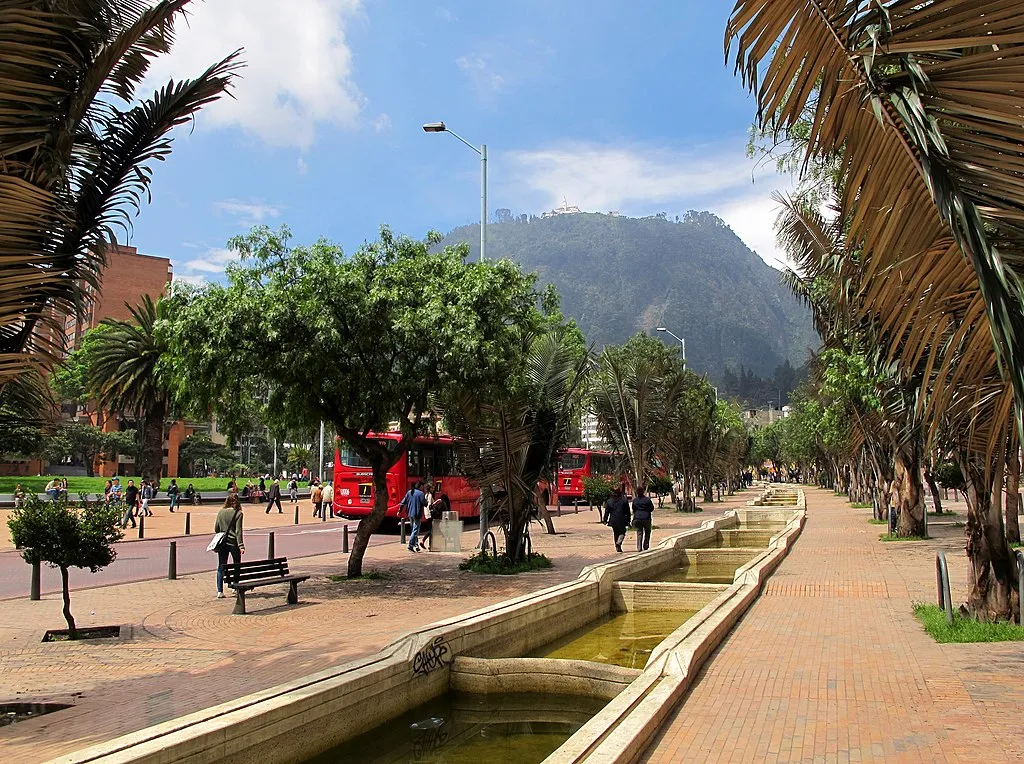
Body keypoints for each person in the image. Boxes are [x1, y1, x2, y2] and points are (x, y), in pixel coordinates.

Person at [214, 494, 245, 599]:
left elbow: (216, 528)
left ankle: (220, 591)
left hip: (223, 543)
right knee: (236, 564)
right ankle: (235, 587)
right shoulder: (238, 513)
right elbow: (238, 531)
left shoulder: (221, 512)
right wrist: (241, 545)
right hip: (233, 543)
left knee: (221, 566)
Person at [400, 481, 426, 553]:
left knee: (413, 530)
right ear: (420, 486)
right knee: (415, 530)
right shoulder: (421, 494)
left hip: (410, 513)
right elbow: (425, 503)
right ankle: (411, 545)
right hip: (417, 514)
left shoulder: (409, 492)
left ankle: (416, 544)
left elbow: (403, 502)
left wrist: (399, 511)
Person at [603, 486, 631, 553]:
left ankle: (617, 546)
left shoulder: (609, 501)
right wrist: (628, 520)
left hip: (613, 520)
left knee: (615, 533)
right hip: (622, 519)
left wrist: (605, 519)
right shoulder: (624, 500)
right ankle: (619, 542)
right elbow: (627, 511)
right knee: (622, 532)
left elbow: (607, 511)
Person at [631, 485, 655, 552]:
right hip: (646, 518)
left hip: (637, 518)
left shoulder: (635, 500)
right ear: (643, 491)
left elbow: (633, 509)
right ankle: (646, 545)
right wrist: (647, 511)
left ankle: (639, 547)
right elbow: (652, 508)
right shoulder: (647, 500)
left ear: (637, 492)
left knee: (639, 532)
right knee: (647, 531)